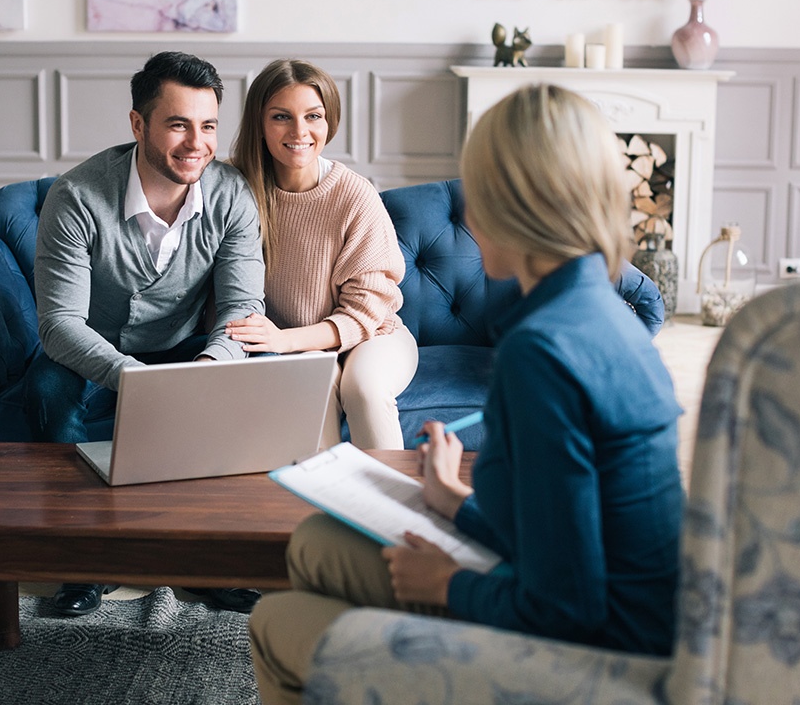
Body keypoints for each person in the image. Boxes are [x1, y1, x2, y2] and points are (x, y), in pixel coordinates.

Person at [248, 83, 685, 704]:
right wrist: (456, 502)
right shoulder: (596, 310)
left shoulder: (543, 352)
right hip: (617, 612)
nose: (469, 215)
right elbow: (566, 532)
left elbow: (570, 606)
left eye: (475, 190)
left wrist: (447, 585)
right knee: (318, 543)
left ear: (515, 205)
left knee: (275, 623)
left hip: (603, 655)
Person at [27, 51, 266, 616]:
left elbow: (242, 307)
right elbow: (59, 324)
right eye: (178, 124)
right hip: (90, 351)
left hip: (187, 350)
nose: (196, 143)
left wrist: (207, 370)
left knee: (231, 398)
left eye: (207, 126)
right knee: (46, 398)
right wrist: (132, 379)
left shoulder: (232, 196)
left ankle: (206, 561)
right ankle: (82, 564)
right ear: (139, 124)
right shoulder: (78, 196)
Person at [226, 59, 418, 450]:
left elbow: (366, 314)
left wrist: (284, 340)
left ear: (330, 121)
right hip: (294, 343)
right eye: (281, 117)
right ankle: (326, 503)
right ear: (260, 124)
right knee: (312, 387)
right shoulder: (235, 188)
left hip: (373, 334)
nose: (300, 132)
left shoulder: (353, 194)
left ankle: (392, 508)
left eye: (313, 116)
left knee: (364, 389)